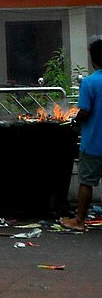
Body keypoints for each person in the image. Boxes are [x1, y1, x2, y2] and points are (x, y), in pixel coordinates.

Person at [61, 37, 102, 231]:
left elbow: (84, 111)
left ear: (93, 59)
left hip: (94, 143)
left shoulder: (89, 82)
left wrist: (74, 122)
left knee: (86, 182)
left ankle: (79, 221)